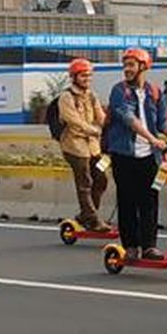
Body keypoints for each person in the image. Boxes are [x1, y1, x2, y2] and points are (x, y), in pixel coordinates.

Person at [105, 47, 167, 261]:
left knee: (150, 200)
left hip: (150, 157)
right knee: (127, 201)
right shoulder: (118, 91)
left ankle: (149, 246)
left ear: (143, 66)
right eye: (125, 65)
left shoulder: (155, 92)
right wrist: (152, 139)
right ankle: (131, 246)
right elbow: (129, 119)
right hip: (124, 154)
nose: (127, 69)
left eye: (131, 65)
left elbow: (161, 122)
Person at [56, 58, 112, 233]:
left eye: (89, 75)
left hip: (93, 147)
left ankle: (86, 216)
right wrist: (95, 131)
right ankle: (93, 220)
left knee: (101, 179)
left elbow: (101, 117)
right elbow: (74, 122)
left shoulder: (91, 95)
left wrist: (113, 126)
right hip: (74, 146)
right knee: (85, 182)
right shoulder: (66, 97)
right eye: (83, 75)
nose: (87, 78)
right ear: (74, 77)